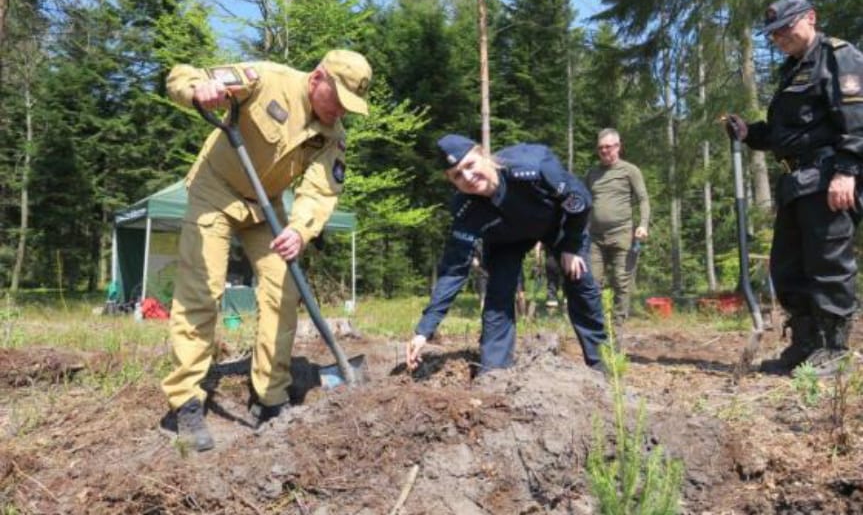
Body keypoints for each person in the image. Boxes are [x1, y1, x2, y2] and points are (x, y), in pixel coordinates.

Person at [160, 50, 372, 451]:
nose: (340, 110)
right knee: (202, 290)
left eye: (349, 105)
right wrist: (198, 91)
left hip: (266, 205)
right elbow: (181, 74)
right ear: (317, 78)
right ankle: (184, 402)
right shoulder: (265, 78)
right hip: (215, 191)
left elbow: (322, 190)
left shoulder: (333, 134)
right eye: (338, 98)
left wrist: (300, 229)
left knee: (283, 287)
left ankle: (270, 395)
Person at [724, 0, 863, 375]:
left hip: (829, 178)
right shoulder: (792, 70)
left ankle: (834, 351)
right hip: (797, 183)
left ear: (811, 18)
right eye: (773, 33)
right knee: (788, 267)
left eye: (785, 28)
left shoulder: (839, 57)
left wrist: (847, 171)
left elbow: (857, 119)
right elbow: (788, 134)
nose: (778, 38)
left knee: (828, 265)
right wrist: (750, 132)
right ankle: (805, 345)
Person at [405, 134, 608, 374]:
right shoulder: (465, 211)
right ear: (451, 181)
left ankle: (603, 367)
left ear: (483, 155)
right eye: (457, 175)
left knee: (579, 280)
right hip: (505, 242)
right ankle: (493, 373)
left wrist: (572, 246)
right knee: (498, 297)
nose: (468, 177)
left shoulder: (533, 166)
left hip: (557, 225)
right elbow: (454, 270)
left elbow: (578, 198)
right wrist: (423, 330)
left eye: (470, 165)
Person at [585, 128, 650, 343]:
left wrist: (643, 225)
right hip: (595, 238)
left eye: (608, 147)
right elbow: (585, 203)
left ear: (618, 147)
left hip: (623, 234)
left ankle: (617, 332)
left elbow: (643, 199)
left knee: (621, 283)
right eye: (600, 148)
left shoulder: (630, 171)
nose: (604, 151)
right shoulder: (592, 174)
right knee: (592, 284)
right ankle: (597, 331)